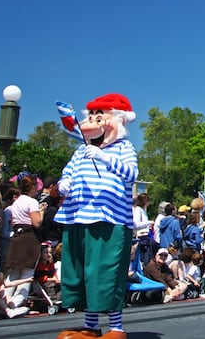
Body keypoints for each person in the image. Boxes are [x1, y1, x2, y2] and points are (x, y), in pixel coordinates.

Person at [54, 93, 139, 339]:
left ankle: (116, 328)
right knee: (84, 273)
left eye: (100, 116)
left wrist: (105, 157)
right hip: (77, 217)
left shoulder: (123, 147)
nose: (93, 121)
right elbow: (67, 173)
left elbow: (131, 174)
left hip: (109, 221)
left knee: (105, 273)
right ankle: (91, 327)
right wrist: (64, 184)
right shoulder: (81, 150)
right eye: (91, 116)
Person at [4, 175, 45, 313]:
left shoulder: (16, 202)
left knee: (14, 271)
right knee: (27, 272)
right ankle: (16, 303)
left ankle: (4, 300)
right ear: (32, 187)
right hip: (28, 237)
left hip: (17, 236)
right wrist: (42, 212)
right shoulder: (31, 202)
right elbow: (37, 223)